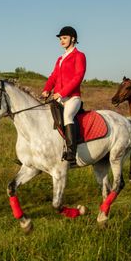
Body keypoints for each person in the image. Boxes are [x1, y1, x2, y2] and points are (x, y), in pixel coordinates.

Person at [41, 26, 86, 164]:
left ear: (73, 39)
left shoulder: (79, 56)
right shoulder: (60, 58)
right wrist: (47, 89)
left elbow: (78, 77)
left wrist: (62, 92)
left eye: (64, 38)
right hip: (58, 97)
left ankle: (72, 153)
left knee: (67, 116)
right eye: (60, 39)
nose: (62, 41)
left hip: (72, 98)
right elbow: (53, 76)